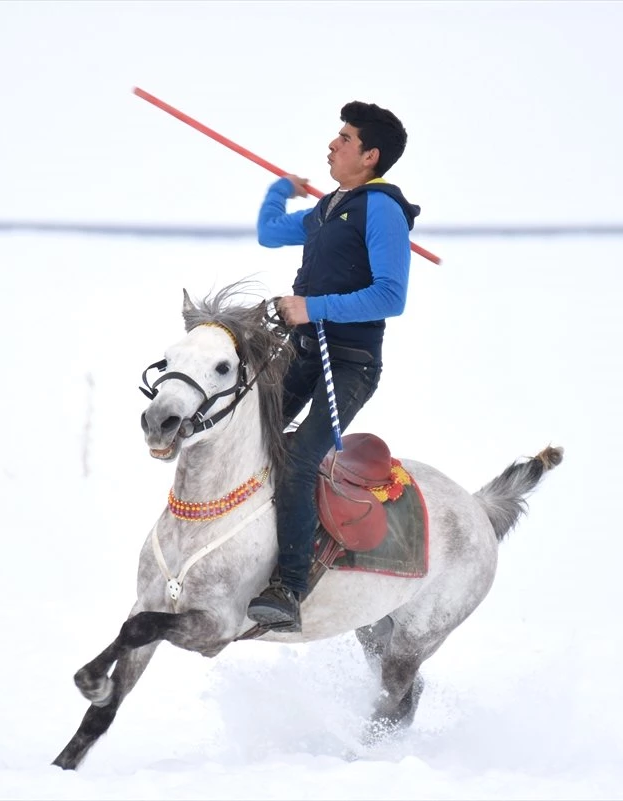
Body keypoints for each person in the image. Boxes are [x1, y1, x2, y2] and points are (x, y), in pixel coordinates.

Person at [247, 101, 420, 632]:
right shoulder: (328, 210)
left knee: (300, 457)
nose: (332, 144)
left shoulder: (381, 210)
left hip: (350, 365)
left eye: (344, 139)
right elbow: (270, 233)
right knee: (253, 433)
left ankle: (290, 588)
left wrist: (311, 307)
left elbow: (391, 297)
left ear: (369, 156)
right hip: (304, 352)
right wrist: (282, 187)